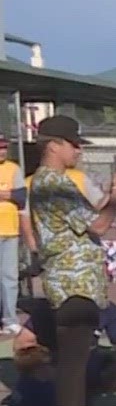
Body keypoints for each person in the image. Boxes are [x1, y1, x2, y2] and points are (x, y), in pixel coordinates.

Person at [25, 116, 116, 406]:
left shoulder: (59, 183)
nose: (78, 152)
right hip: (71, 283)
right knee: (71, 364)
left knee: (81, 358)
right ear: (53, 144)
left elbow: (91, 220)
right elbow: (100, 225)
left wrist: (110, 197)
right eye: (73, 144)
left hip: (83, 282)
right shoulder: (52, 184)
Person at [0, 133, 21, 335]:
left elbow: (21, 197)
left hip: (10, 231)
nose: (2, 151)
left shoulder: (14, 169)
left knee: (9, 277)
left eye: (4, 147)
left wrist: (7, 195)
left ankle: (10, 320)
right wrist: (9, 195)